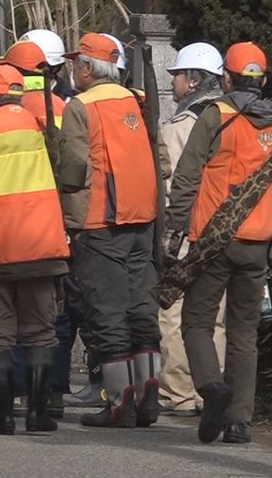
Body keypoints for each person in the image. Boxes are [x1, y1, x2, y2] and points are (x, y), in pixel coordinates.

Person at [165, 42, 272, 444]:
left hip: (214, 239)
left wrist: (176, 229)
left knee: (195, 321)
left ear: (226, 77)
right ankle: (239, 421)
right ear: (264, 81)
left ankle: (211, 387)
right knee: (244, 332)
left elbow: (187, 176)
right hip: (259, 243)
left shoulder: (215, 116)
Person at [0, 64, 70, 435]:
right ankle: (38, 413)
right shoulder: (44, 124)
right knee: (40, 332)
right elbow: (73, 171)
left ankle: (3, 416)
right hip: (41, 244)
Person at [58, 33, 162, 429]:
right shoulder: (135, 99)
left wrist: (70, 222)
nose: (74, 70)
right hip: (142, 220)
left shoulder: (80, 106)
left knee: (107, 314)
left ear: (87, 67)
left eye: (77, 63)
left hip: (101, 221)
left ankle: (120, 402)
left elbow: (73, 168)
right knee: (141, 310)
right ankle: (148, 395)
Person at [157, 43, 228, 417]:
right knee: (215, 315)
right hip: (223, 231)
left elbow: (170, 181)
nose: (174, 84)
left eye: (178, 76)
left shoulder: (182, 124)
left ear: (194, 79)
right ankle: (210, 390)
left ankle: (179, 393)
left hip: (186, 231)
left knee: (174, 312)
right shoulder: (232, 118)